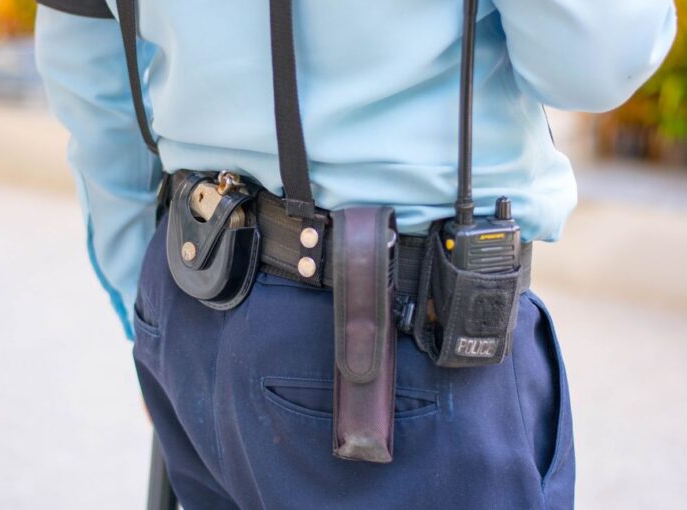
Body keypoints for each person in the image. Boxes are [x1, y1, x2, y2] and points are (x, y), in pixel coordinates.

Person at [34, 1, 677, 508]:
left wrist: (147, 320)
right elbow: (600, 59)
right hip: (406, 357)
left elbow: (86, 67)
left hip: (193, 297)